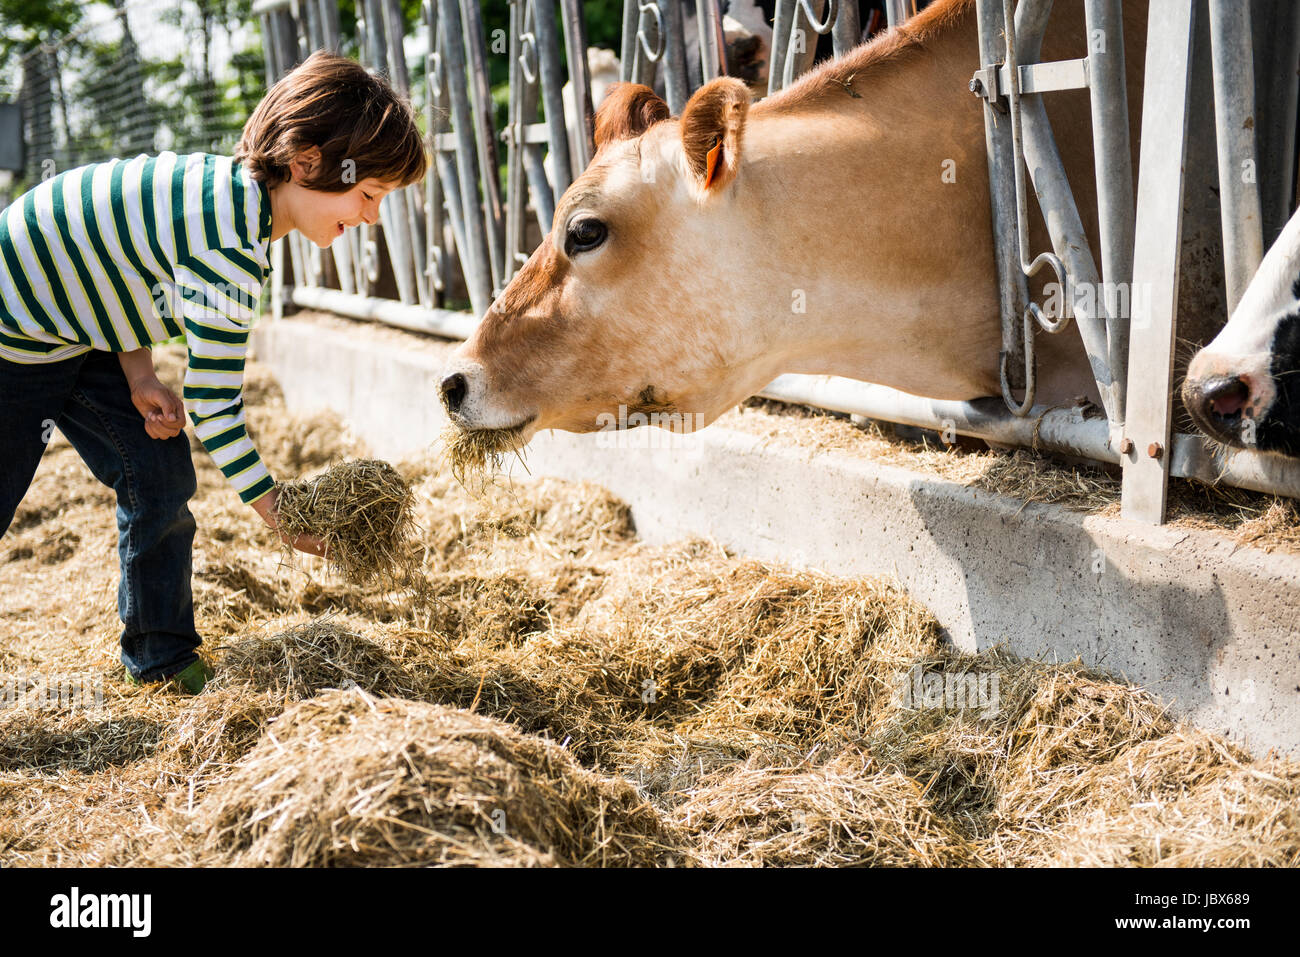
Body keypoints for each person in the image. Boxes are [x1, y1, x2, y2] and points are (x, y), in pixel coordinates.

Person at [0, 51, 426, 693]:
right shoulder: (231, 247)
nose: (370, 216)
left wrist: (140, 376)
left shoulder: (229, 198)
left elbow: (120, 273)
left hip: (77, 326)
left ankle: (162, 660)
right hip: (18, 331)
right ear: (307, 162)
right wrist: (280, 511)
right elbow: (213, 403)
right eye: (368, 195)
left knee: (159, 476)